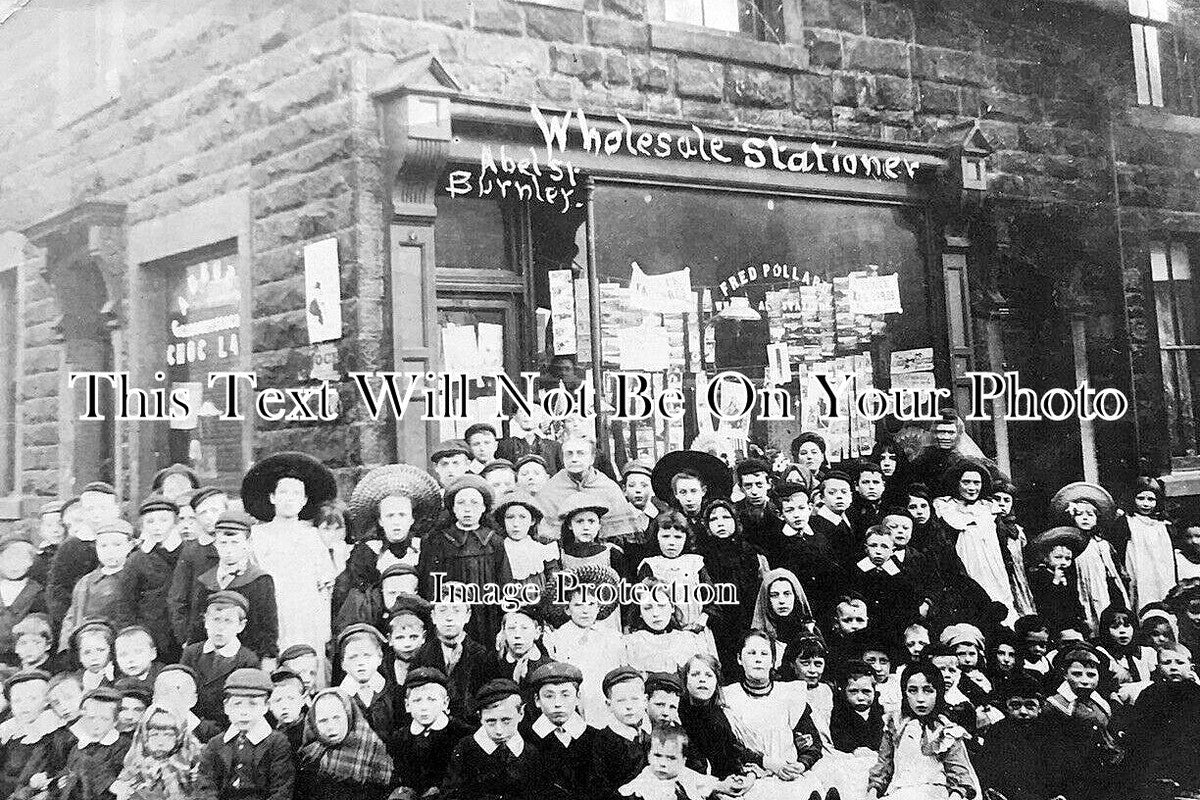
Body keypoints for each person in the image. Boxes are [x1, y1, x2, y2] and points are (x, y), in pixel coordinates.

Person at [242, 452, 338, 673]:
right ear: (272, 497)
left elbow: (325, 588)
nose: (289, 498)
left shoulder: (313, 537)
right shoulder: (257, 535)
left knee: (306, 666)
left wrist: (324, 628)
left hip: (305, 614)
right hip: (271, 611)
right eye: (283, 492)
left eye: (296, 494)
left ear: (304, 501)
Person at [722, 630, 826, 798]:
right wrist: (768, 765)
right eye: (751, 653)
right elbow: (729, 746)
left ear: (772, 661)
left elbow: (813, 742)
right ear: (739, 659)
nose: (758, 659)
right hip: (751, 776)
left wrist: (801, 764)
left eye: (764, 654)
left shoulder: (789, 694)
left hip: (791, 775)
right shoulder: (728, 697)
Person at [866, 660, 978, 800]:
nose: (920, 699)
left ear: (938, 693)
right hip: (900, 794)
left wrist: (955, 796)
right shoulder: (895, 726)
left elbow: (960, 776)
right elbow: (884, 766)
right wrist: (873, 792)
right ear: (904, 693)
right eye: (913, 691)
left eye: (928, 690)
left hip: (935, 794)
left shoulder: (946, 731)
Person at [417, 474, 508, 644]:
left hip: (487, 614)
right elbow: (429, 586)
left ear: (483, 508)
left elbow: (505, 582)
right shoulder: (438, 540)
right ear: (452, 508)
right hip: (450, 615)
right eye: (461, 503)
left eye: (474, 503)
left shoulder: (494, 541)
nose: (467, 509)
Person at [186, 513, 279, 663]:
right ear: (215, 544)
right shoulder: (205, 581)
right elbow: (197, 628)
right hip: (210, 659)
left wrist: (269, 658)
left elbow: (268, 628)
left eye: (235, 542)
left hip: (248, 658)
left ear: (248, 544)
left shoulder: (259, 580)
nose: (228, 550)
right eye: (223, 543)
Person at [933, 461, 1016, 623]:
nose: (972, 487)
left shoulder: (989, 508)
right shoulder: (945, 507)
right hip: (965, 567)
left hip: (993, 568)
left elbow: (1001, 544)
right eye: (966, 482)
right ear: (957, 483)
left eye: (976, 483)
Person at [193, 668, 294, 800]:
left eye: (252, 704)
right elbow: (206, 785)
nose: (244, 712)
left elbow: (281, 790)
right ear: (226, 707)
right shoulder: (216, 744)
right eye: (237, 704)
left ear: (266, 706)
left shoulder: (277, 743)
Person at [441, 679, 542, 800]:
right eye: (491, 721)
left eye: (506, 720)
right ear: (480, 717)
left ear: (521, 713)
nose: (499, 731)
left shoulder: (530, 752)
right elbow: (450, 793)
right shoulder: (465, 749)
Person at [293, 688, 394, 800]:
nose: (331, 726)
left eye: (337, 718)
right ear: (314, 723)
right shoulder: (308, 756)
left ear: (349, 716)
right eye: (323, 721)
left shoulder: (373, 751)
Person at [536, 435, 640, 542]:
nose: (574, 459)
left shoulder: (608, 487)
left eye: (581, 453)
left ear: (592, 459)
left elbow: (623, 535)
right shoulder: (550, 489)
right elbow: (543, 535)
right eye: (569, 454)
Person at [119, 494, 184, 663]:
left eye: (163, 520)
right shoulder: (137, 559)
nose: (157, 527)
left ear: (175, 522)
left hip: (182, 632)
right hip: (151, 634)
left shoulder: (188, 553)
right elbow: (127, 603)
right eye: (150, 522)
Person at [179, 592, 261, 725]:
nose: (220, 627)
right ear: (206, 621)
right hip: (191, 723)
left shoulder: (247, 660)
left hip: (227, 726)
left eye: (228, 621)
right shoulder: (192, 653)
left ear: (241, 626)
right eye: (215, 619)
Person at [390, 667, 472, 800]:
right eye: (417, 700)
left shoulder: (462, 734)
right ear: (407, 705)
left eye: (431, 700)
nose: (424, 707)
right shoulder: (399, 738)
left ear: (445, 703)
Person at [518, 661, 595, 797]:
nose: (558, 704)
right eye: (549, 696)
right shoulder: (524, 739)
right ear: (537, 700)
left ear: (578, 697)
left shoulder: (596, 739)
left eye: (565, 695)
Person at [973, 673, 1053, 800]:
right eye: (1016, 705)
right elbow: (987, 769)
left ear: (1040, 708)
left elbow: (1058, 771)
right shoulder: (997, 732)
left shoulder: (1049, 732)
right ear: (1006, 707)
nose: (1023, 711)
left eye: (1030, 705)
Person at [59, 519, 134, 653]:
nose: (110, 551)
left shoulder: (135, 578)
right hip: (90, 647)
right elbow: (72, 616)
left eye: (117, 545)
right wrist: (66, 647)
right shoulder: (86, 582)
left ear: (130, 545)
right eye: (103, 546)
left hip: (124, 646)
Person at [45, 686, 133, 800]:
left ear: (115, 721)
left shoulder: (122, 745)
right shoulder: (79, 746)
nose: (96, 724)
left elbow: (111, 773)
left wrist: (111, 784)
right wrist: (60, 780)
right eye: (91, 718)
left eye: (104, 719)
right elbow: (68, 769)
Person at [167, 488, 226, 653]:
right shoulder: (192, 551)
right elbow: (177, 597)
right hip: (200, 633)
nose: (209, 517)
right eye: (202, 513)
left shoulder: (240, 544)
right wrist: (185, 637)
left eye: (215, 510)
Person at [108, 704, 203, 800]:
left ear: (179, 735)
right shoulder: (136, 764)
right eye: (154, 734)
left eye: (168, 735)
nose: (160, 742)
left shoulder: (192, 762)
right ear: (145, 736)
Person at [589, 667, 652, 800]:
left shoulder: (649, 738)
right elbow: (600, 790)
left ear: (645, 701)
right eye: (621, 700)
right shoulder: (602, 742)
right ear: (609, 705)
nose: (629, 706)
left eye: (635, 699)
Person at [616, 723, 717, 800]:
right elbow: (625, 792)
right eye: (657, 756)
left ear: (683, 761)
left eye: (671, 758)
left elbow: (708, 783)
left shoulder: (686, 774)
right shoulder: (647, 777)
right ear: (649, 756)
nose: (663, 764)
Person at [0, 669, 56, 799]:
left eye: (32, 698)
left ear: (47, 701)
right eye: (17, 700)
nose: (24, 705)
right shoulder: (8, 732)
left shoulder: (54, 734)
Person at [0, 533, 47, 666]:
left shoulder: (37, 592)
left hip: (24, 659)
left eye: (21, 559)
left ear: (31, 561)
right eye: (8, 559)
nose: (14, 565)